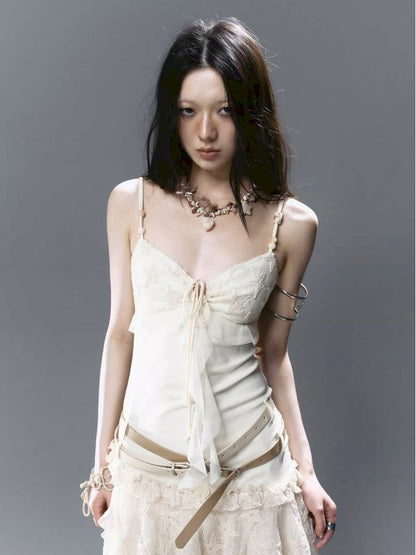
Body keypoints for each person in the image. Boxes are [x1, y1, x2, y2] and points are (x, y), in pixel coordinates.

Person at [80, 16, 337, 554]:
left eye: (225, 110)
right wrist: (101, 466)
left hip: (252, 475)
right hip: (148, 475)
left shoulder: (292, 225)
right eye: (188, 111)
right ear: (171, 115)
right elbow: (120, 334)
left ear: (250, 113)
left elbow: (274, 355)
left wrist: (307, 473)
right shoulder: (130, 204)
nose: (205, 132)